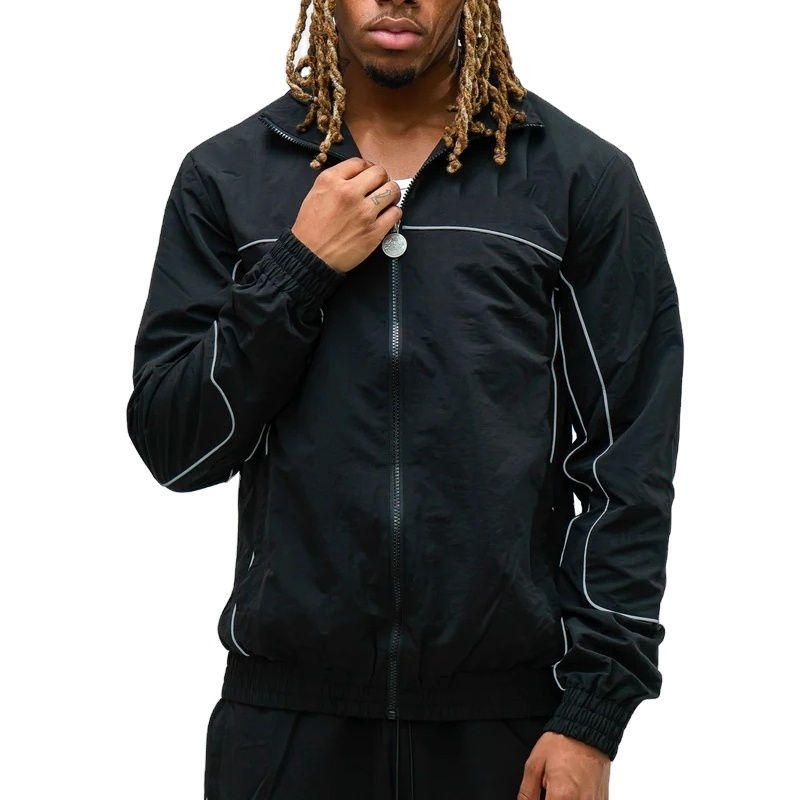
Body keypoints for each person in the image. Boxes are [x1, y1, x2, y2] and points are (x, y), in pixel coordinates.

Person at [126, 1, 684, 798]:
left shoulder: (577, 179)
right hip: (284, 730)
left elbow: (626, 464)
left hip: (510, 730)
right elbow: (175, 448)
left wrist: (593, 715)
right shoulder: (228, 176)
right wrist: (298, 269)